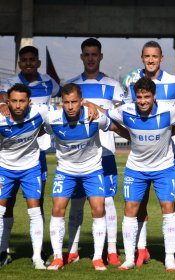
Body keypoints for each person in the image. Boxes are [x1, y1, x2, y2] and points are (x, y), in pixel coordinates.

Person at [121, 40, 175, 267]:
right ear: (142, 58)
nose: (151, 60)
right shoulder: (132, 82)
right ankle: (140, 250)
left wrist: (168, 132)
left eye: (155, 56)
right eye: (147, 56)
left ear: (162, 58)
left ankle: (170, 254)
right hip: (140, 154)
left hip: (166, 154)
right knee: (138, 202)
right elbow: (125, 115)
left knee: (168, 204)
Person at [107, 76, 175, 271]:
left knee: (167, 207)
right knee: (130, 209)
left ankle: (169, 258)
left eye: (147, 97)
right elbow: (107, 117)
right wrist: (90, 107)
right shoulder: (125, 110)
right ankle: (128, 258)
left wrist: (169, 132)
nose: (142, 101)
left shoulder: (170, 110)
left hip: (164, 167)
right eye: (139, 97)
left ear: (154, 96)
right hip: (136, 168)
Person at [45, 83, 124, 271]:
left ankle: (98, 258)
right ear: (61, 103)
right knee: (58, 209)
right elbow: (35, 125)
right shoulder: (52, 118)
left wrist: (135, 140)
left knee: (98, 208)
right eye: (66, 102)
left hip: (92, 170)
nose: (70, 106)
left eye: (74, 102)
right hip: (66, 171)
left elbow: (114, 126)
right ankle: (58, 257)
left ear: (82, 101)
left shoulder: (95, 118)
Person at [63, 38, 125, 266]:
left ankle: (111, 250)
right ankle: (73, 249)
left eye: (94, 54)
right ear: (82, 57)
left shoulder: (113, 86)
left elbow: (121, 119)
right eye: (86, 54)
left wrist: (99, 110)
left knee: (107, 203)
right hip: (78, 157)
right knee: (77, 203)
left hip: (105, 154)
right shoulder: (71, 85)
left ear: (100, 56)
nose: (90, 58)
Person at [0, 45, 60, 264]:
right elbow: (1, 96)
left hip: (35, 154)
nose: (28, 63)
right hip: (8, 156)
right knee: (6, 203)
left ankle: (39, 252)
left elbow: (67, 98)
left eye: (31, 59)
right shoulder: (8, 85)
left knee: (37, 203)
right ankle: (3, 250)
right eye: (23, 60)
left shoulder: (49, 83)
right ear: (19, 63)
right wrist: (1, 102)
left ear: (38, 62)